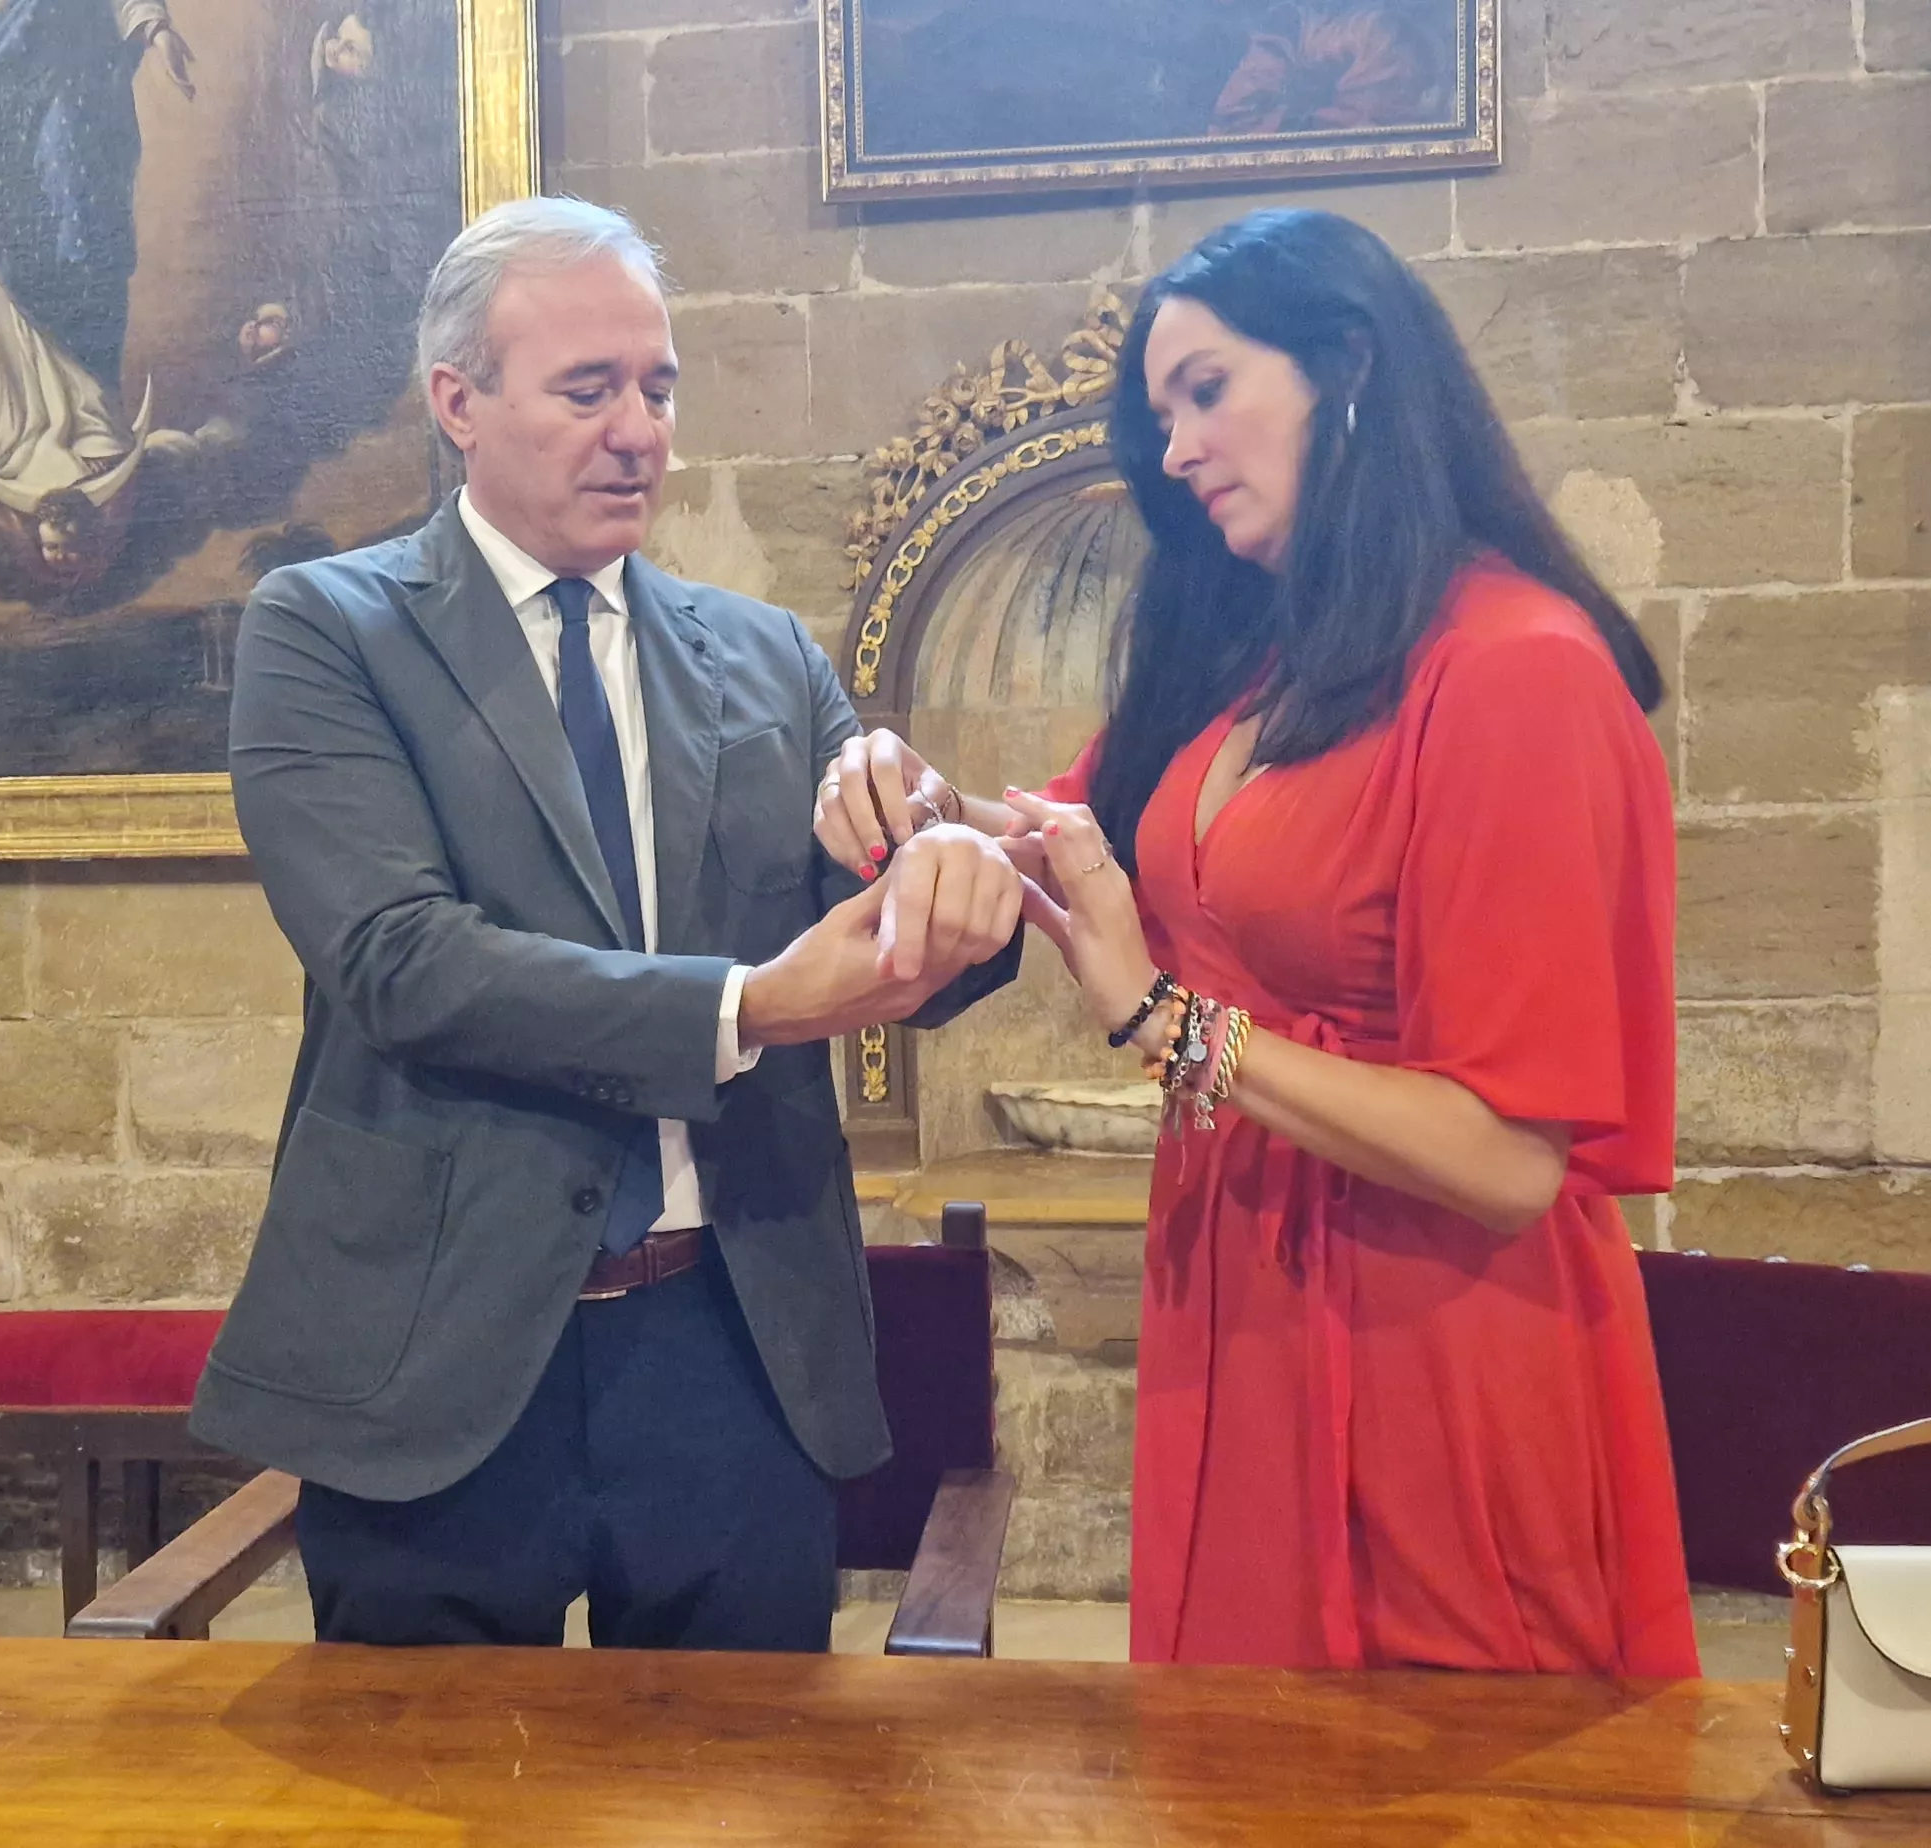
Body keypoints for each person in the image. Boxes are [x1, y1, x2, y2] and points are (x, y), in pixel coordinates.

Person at [819, 208, 1697, 1676]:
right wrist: (920, 798)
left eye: (1208, 392)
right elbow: (1082, 837)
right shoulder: (1263, 653)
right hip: (1239, 1281)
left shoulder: (1519, 672)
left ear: (1347, 366)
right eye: (1161, 415)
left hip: (1432, 1327)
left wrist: (1168, 1028)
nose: (1173, 451)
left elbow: (1507, 1159)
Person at [193, 198, 1030, 1651]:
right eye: (588, 390)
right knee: (438, 1798)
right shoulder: (328, 632)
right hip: (442, 1350)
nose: (638, 430)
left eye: (657, 388)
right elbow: (403, 961)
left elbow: (895, 938)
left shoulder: (762, 657)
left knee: (743, 1794)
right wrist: (746, 1009)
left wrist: (943, 857)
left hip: (729, 1344)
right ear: (460, 401)